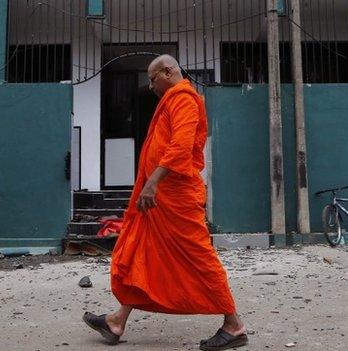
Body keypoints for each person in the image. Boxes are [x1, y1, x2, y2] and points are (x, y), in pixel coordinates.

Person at [83, 54, 247, 351]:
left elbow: (180, 148)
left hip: (175, 196)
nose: (150, 86)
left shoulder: (183, 99)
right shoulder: (172, 100)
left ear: (168, 72)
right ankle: (117, 320)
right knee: (142, 250)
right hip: (159, 200)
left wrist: (152, 182)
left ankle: (234, 325)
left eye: (152, 78)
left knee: (198, 255)